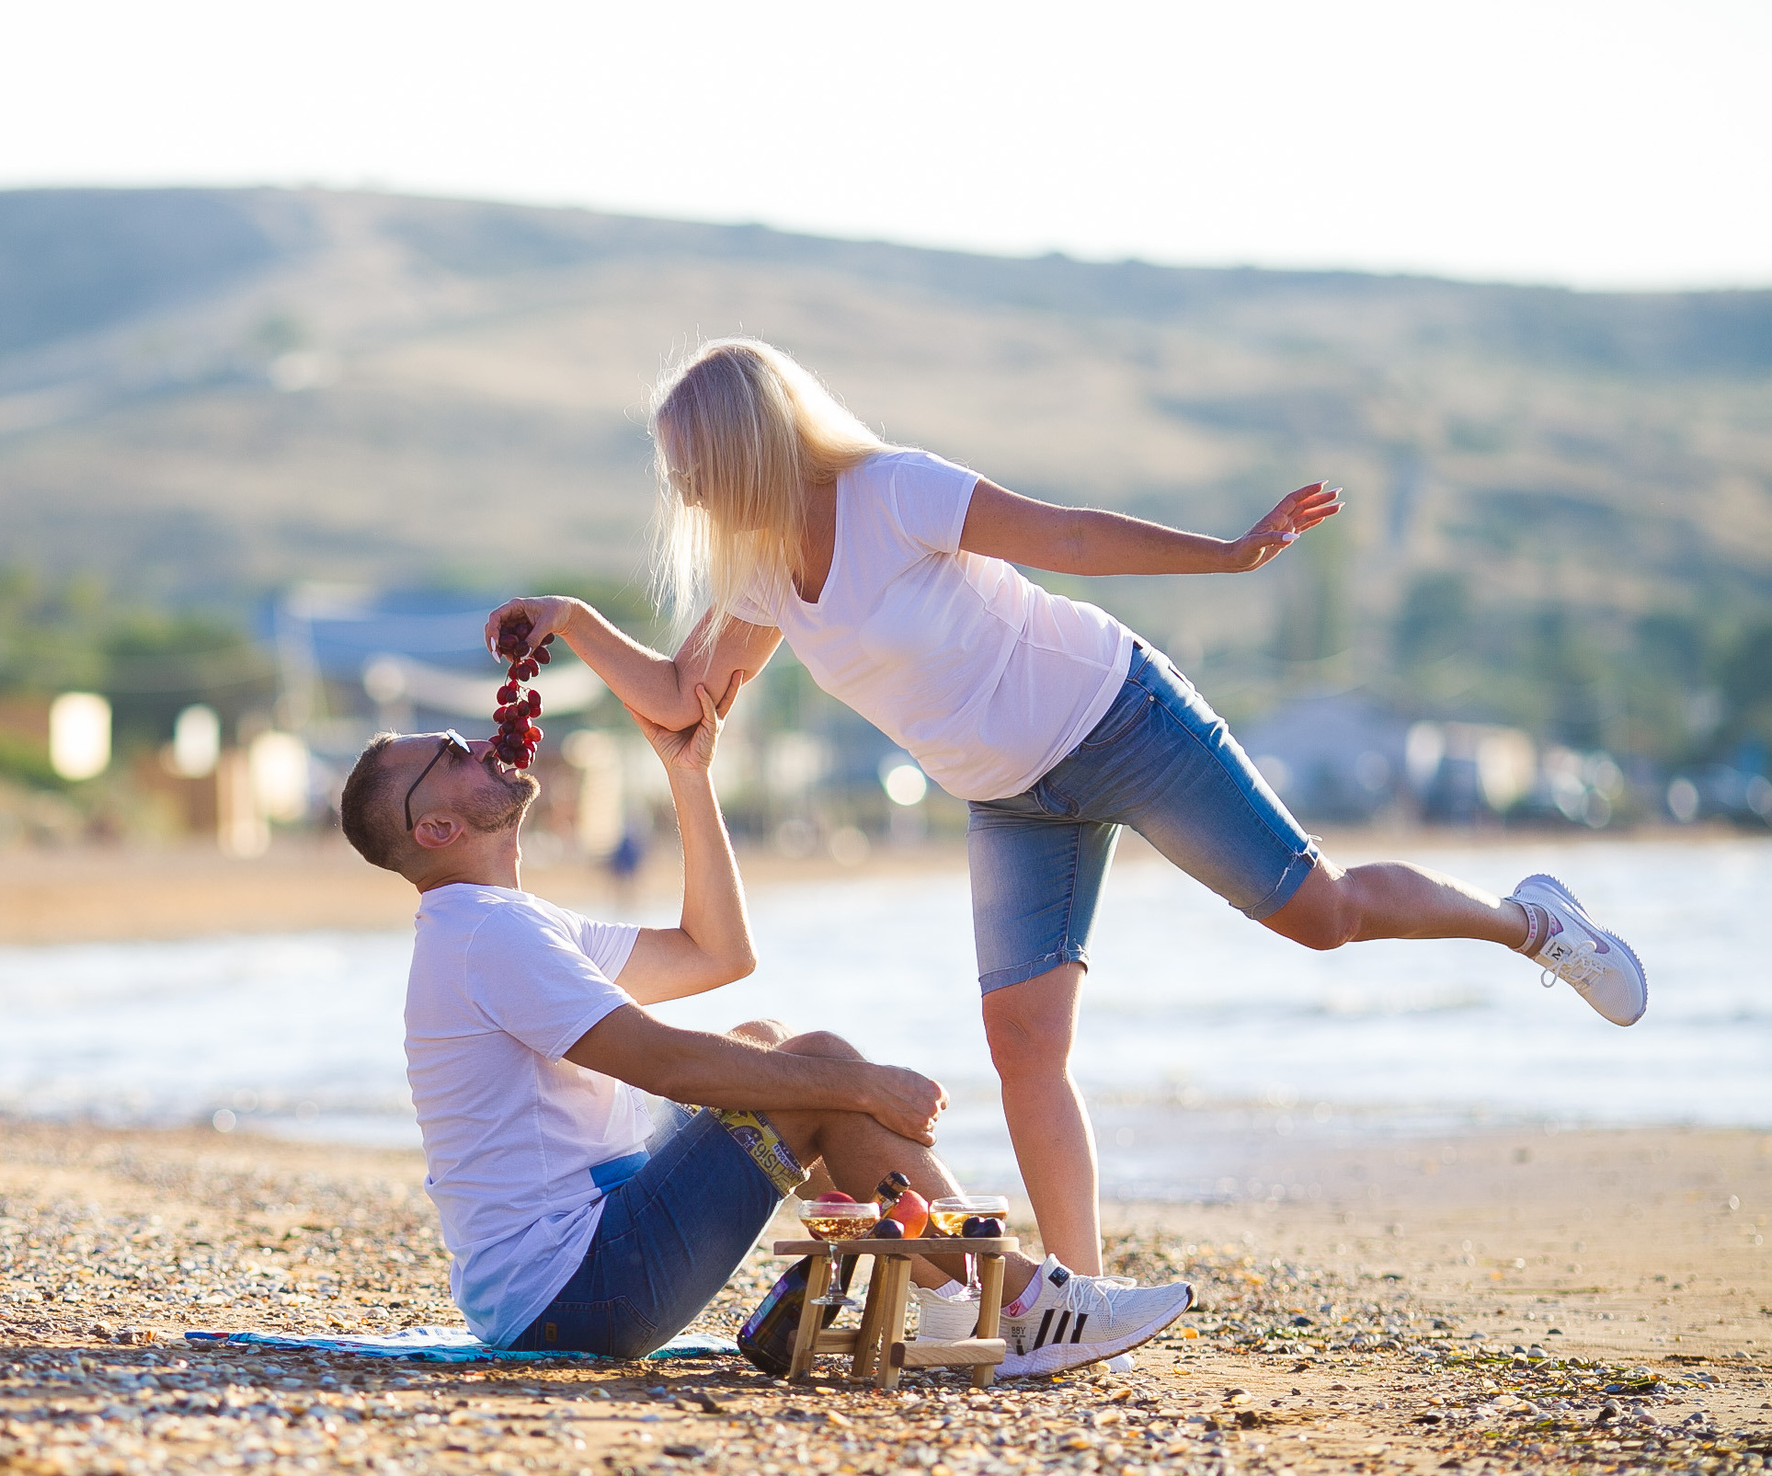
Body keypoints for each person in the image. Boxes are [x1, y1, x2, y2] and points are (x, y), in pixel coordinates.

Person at [487, 338, 1648, 1278]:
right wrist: (574, 623)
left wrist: (1230, 556)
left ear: (743, 440)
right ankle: (1078, 1298)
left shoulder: (894, 493)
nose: (680, 487)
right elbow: (685, 696)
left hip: (1117, 717)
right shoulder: (754, 573)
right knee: (1024, 1043)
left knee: (1322, 912)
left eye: (687, 460)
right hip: (1008, 797)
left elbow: (1071, 535)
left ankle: (1531, 923)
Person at [334, 675, 1194, 1374]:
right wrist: (855, 1082)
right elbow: (662, 1063)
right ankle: (1020, 1300)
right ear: (437, 826)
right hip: (580, 1290)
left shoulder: (499, 923)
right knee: (815, 1066)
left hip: (571, 1270)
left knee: (764, 1037)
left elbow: (717, 951)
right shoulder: (492, 932)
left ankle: (952, 1296)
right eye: (449, 755)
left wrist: (688, 773)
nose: (478, 742)